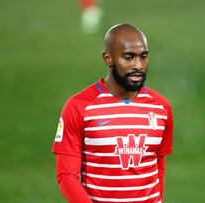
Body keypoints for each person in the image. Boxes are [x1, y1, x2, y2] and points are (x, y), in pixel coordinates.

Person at [52, 23, 174, 203]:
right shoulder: (78, 107)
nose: (138, 65)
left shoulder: (161, 108)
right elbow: (66, 177)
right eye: (129, 57)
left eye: (144, 56)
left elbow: (158, 168)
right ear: (108, 58)